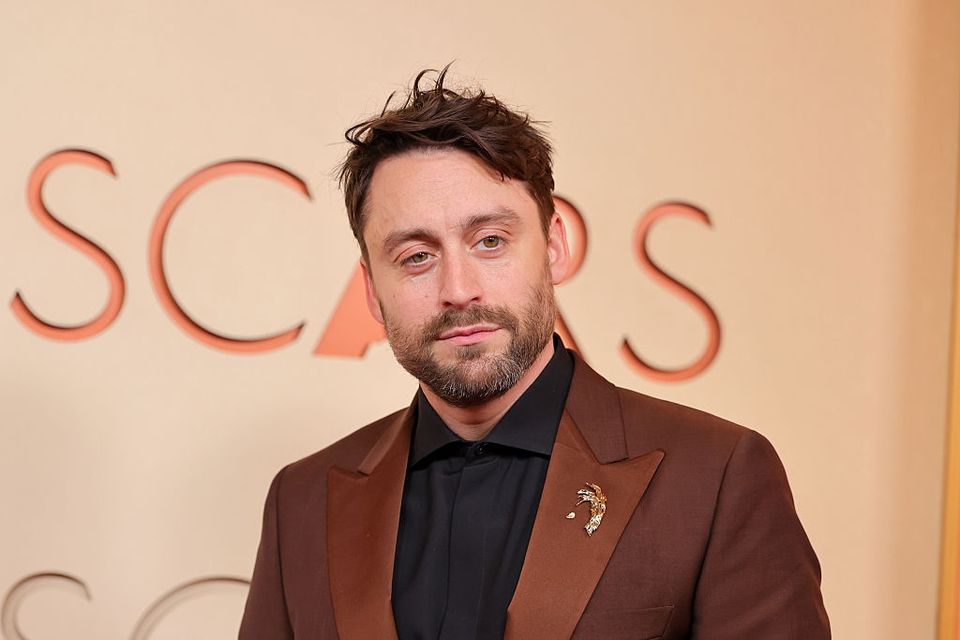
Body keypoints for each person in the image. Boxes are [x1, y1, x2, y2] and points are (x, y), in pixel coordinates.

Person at [239, 67, 830, 640]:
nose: (457, 289)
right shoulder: (303, 501)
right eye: (416, 256)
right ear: (371, 288)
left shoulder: (715, 476)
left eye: (490, 241)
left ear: (553, 248)